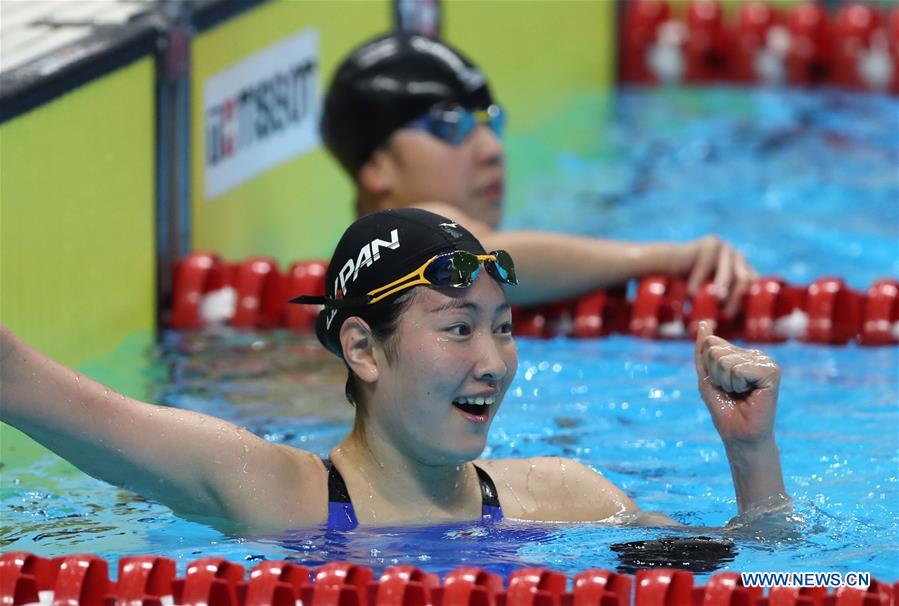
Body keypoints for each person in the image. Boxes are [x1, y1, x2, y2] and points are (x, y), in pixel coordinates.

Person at [0, 209, 788, 531]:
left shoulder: (567, 496)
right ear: (362, 349)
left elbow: (759, 586)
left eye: (504, 329)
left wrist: (751, 456)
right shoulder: (277, 493)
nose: (494, 363)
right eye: (457, 329)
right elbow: (20, 380)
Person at [321, 34, 757, 316]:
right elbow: (481, 257)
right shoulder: (410, 248)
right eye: (451, 127)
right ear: (376, 166)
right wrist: (666, 258)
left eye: (491, 124)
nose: (493, 150)